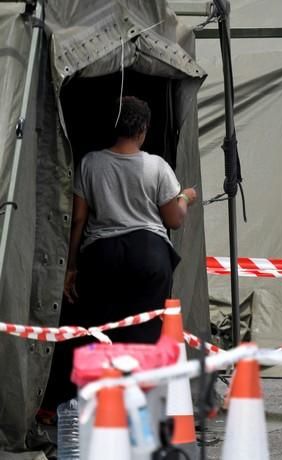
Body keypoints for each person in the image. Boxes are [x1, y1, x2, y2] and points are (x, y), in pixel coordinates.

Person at [50, 96, 197, 405]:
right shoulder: (156, 166)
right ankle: (141, 404)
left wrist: (72, 266)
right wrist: (185, 196)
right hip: (150, 254)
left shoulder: (90, 162)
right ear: (143, 129)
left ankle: (100, 404)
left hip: (102, 256)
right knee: (144, 332)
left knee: (100, 330)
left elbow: (78, 218)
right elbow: (174, 219)